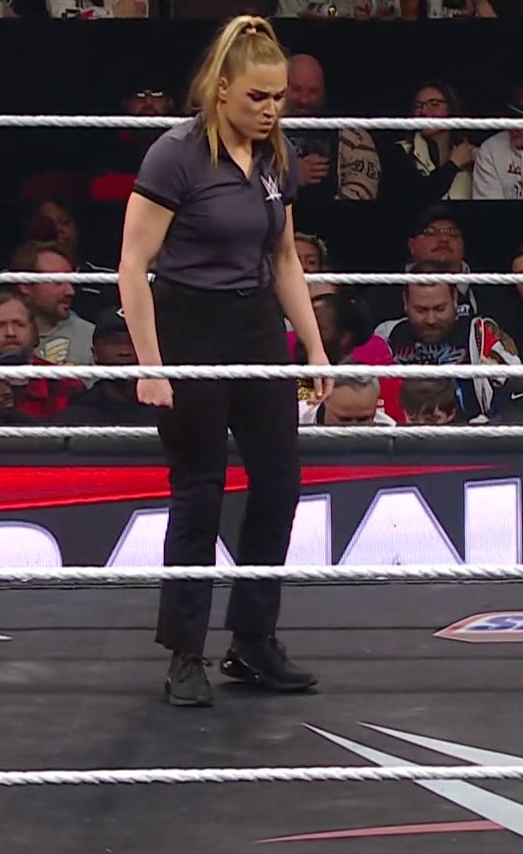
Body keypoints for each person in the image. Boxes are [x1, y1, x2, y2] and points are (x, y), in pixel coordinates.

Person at [118, 14, 332, 708]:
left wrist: (314, 346)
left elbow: (285, 258)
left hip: (256, 327)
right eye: (258, 97)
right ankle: (185, 652)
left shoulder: (277, 156)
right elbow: (133, 265)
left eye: (279, 98)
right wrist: (151, 365)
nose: (272, 110)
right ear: (221, 91)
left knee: (279, 483)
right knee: (199, 491)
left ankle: (253, 639)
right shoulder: (175, 155)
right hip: (190, 325)